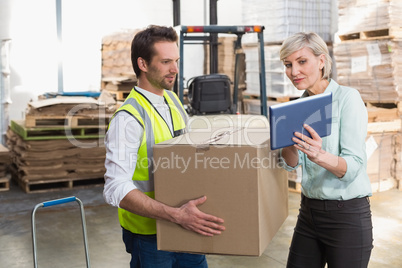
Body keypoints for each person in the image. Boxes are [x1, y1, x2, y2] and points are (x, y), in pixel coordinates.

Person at [103, 25, 225, 268]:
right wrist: (176, 215)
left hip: (188, 225)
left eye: (177, 61)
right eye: (166, 61)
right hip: (149, 235)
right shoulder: (128, 118)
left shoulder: (171, 99)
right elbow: (115, 188)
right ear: (143, 64)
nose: (175, 70)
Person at [278, 32, 373, 268]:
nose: (294, 71)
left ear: (321, 62)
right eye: (288, 65)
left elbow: (352, 168)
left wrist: (319, 155)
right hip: (308, 212)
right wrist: (287, 142)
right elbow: (290, 164)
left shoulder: (347, 99)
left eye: (302, 61)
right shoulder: (296, 107)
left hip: (346, 216)